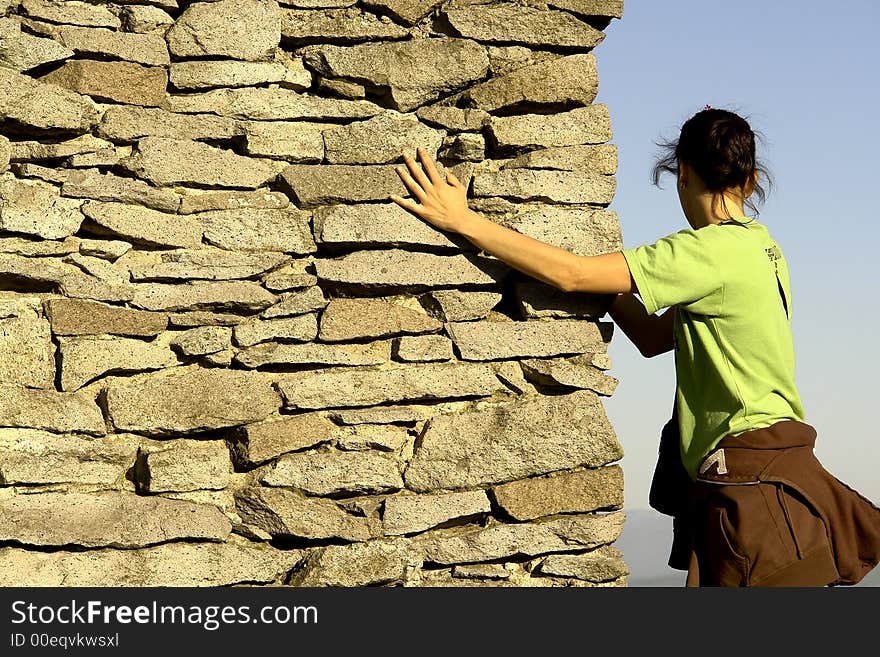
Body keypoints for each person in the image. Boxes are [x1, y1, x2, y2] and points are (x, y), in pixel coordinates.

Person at [389, 106, 880, 587]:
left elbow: (571, 272)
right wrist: (611, 289)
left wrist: (465, 221)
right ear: (750, 180)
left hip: (746, 482)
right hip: (781, 467)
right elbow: (653, 337)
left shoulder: (706, 251)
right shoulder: (764, 248)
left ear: (682, 173)